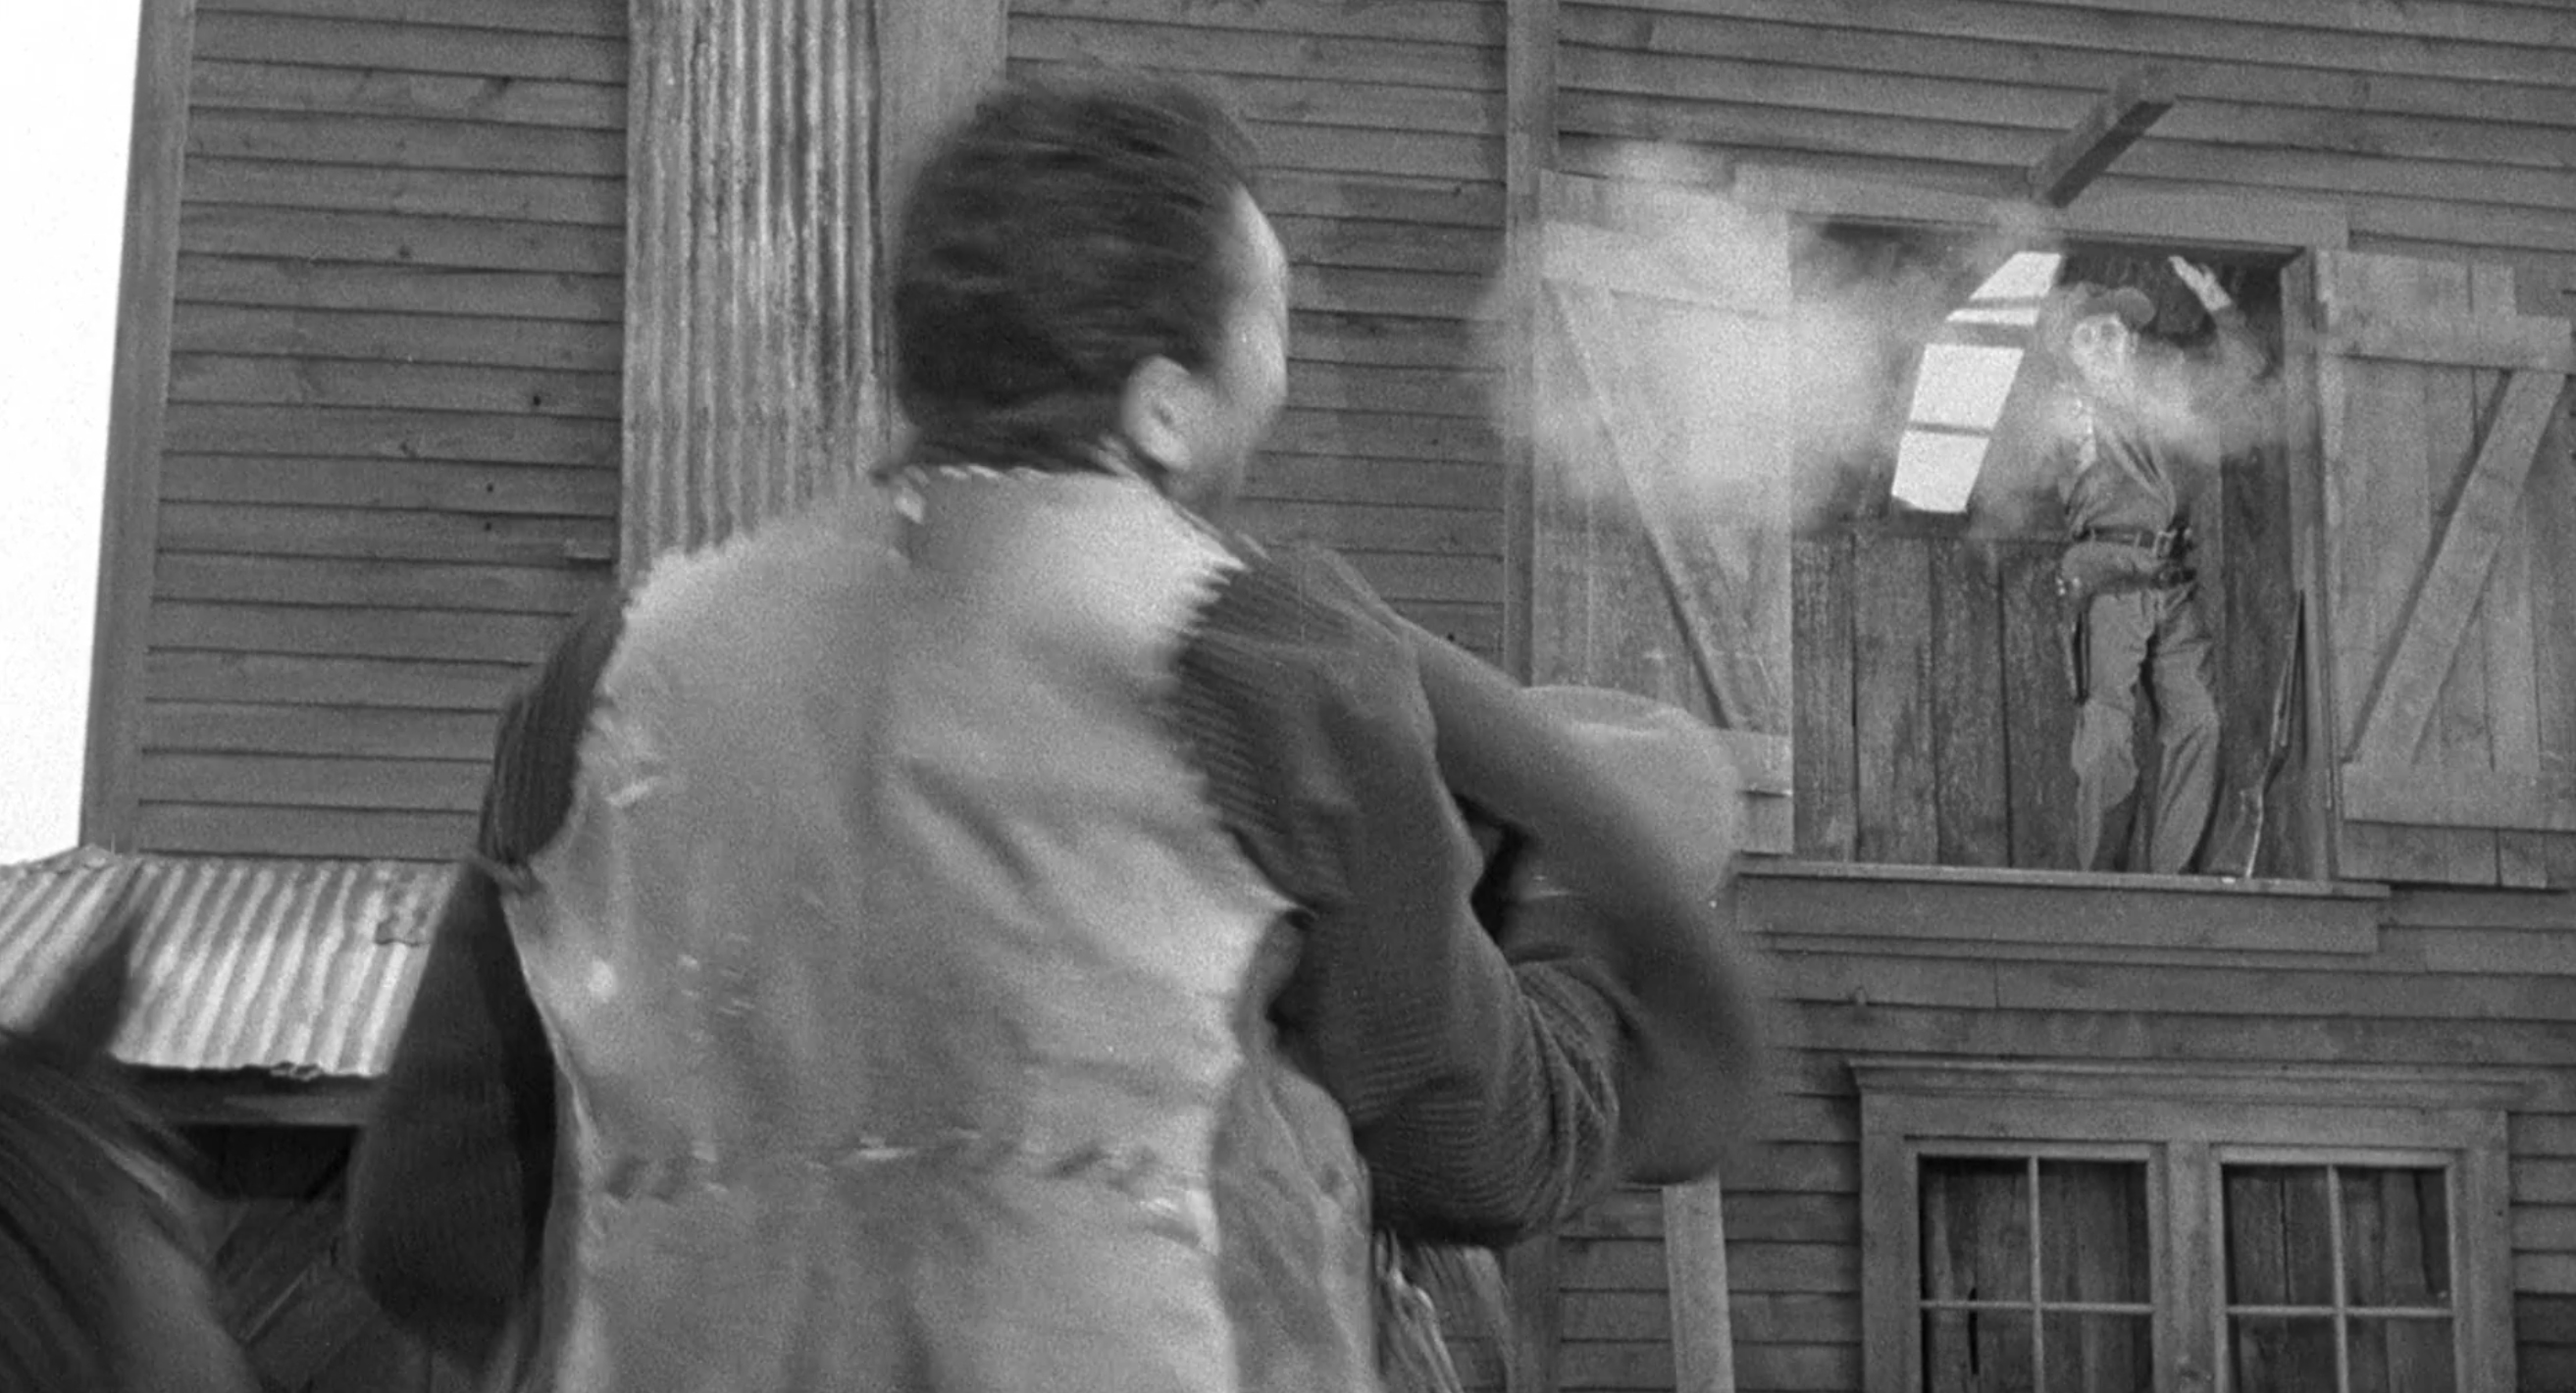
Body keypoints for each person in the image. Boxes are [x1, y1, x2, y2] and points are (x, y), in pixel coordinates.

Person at [345, 71, 1767, 1393]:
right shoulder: (1264, 665)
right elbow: (1483, 1152)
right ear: (1163, 408)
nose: (1281, 371)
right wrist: (1587, 967)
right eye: (1272, 321)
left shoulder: (608, 669)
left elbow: (428, 1232)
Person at [2047, 258, 2259, 874]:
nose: (2100, 345)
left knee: (2201, 721)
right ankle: (2101, 883)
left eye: (2110, 332)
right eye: (2085, 337)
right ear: (2070, 356)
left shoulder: (2166, 394)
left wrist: (2215, 300)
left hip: (2170, 580)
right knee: (2106, 733)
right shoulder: (2064, 407)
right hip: (2108, 578)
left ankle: (2173, 879)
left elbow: (2246, 368)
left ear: (2132, 342)